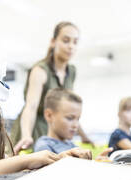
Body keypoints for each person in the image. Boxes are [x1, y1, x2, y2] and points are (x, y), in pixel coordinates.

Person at [11, 21, 93, 154]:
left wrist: (84, 137)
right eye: (66, 40)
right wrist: (26, 135)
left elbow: (70, 109)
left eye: (75, 42)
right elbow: (31, 106)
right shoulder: (40, 70)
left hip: (55, 126)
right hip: (34, 128)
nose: (71, 46)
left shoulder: (71, 71)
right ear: (53, 41)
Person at [34, 88, 111, 160]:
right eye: (70, 118)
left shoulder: (72, 145)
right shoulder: (43, 146)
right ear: (49, 115)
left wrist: (97, 162)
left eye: (78, 119)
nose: (76, 125)